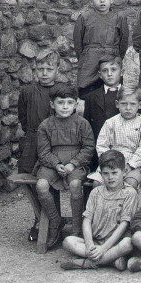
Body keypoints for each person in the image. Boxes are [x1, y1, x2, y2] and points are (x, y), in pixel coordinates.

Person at [35, 84, 95, 247]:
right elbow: (43, 152)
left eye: (69, 102)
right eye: (61, 103)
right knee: (41, 185)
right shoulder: (45, 125)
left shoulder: (82, 124)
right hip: (51, 163)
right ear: (52, 104)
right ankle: (55, 222)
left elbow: (88, 148)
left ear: (76, 104)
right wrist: (56, 164)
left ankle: (76, 227)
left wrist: (73, 164)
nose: (65, 106)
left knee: (75, 184)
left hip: (75, 163)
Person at [60, 150, 138, 270]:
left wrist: (104, 248)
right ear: (101, 174)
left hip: (116, 242)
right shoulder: (96, 192)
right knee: (68, 242)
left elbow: (124, 224)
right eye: (106, 173)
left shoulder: (129, 193)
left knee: (128, 244)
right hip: (96, 241)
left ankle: (85, 264)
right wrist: (90, 244)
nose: (110, 177)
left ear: (124, 172)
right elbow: (87, 220)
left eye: (114, 173)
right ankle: (111, 260)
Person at [18, 49, 63, 240]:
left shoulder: (62, 90)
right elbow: (23, 117)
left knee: (52, 180)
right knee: (30, 179)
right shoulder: (28, 91)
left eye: (49, 69)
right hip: (32, 141)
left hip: (56, 142)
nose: (44, 73)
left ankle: (54, 222)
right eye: (41, 68)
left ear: (57, 69)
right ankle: (39, 219)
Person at [93, 88, 141, 191]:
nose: (128, 108)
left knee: (130, 184)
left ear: (140, 105)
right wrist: (109, 162)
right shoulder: (110, 122)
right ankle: (102, 206)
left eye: (133, 104)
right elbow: (101, 145)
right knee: (97, 183)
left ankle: (127, 207)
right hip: (110, 162)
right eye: (124, 104)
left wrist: (130, 165)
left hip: (132, 164)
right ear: (117, 104)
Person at [73, 0, 122, 96]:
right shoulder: (84, 17)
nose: (102, 1)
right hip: (89, 60)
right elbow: (78, 45)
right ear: (91, 1)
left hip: (111, 57)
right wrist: (87, 57)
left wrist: (115, 56)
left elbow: (123, 43)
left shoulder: (119, 18)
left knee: (111, 89)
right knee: (87, 91)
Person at [83, 55, 122, 142]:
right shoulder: (91, 97)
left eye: (113, 69)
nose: (109, 74)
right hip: (99, 145)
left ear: (121, 72)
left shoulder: (130, 95)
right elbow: (87, 126)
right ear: (100, 75)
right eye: (105, 70)